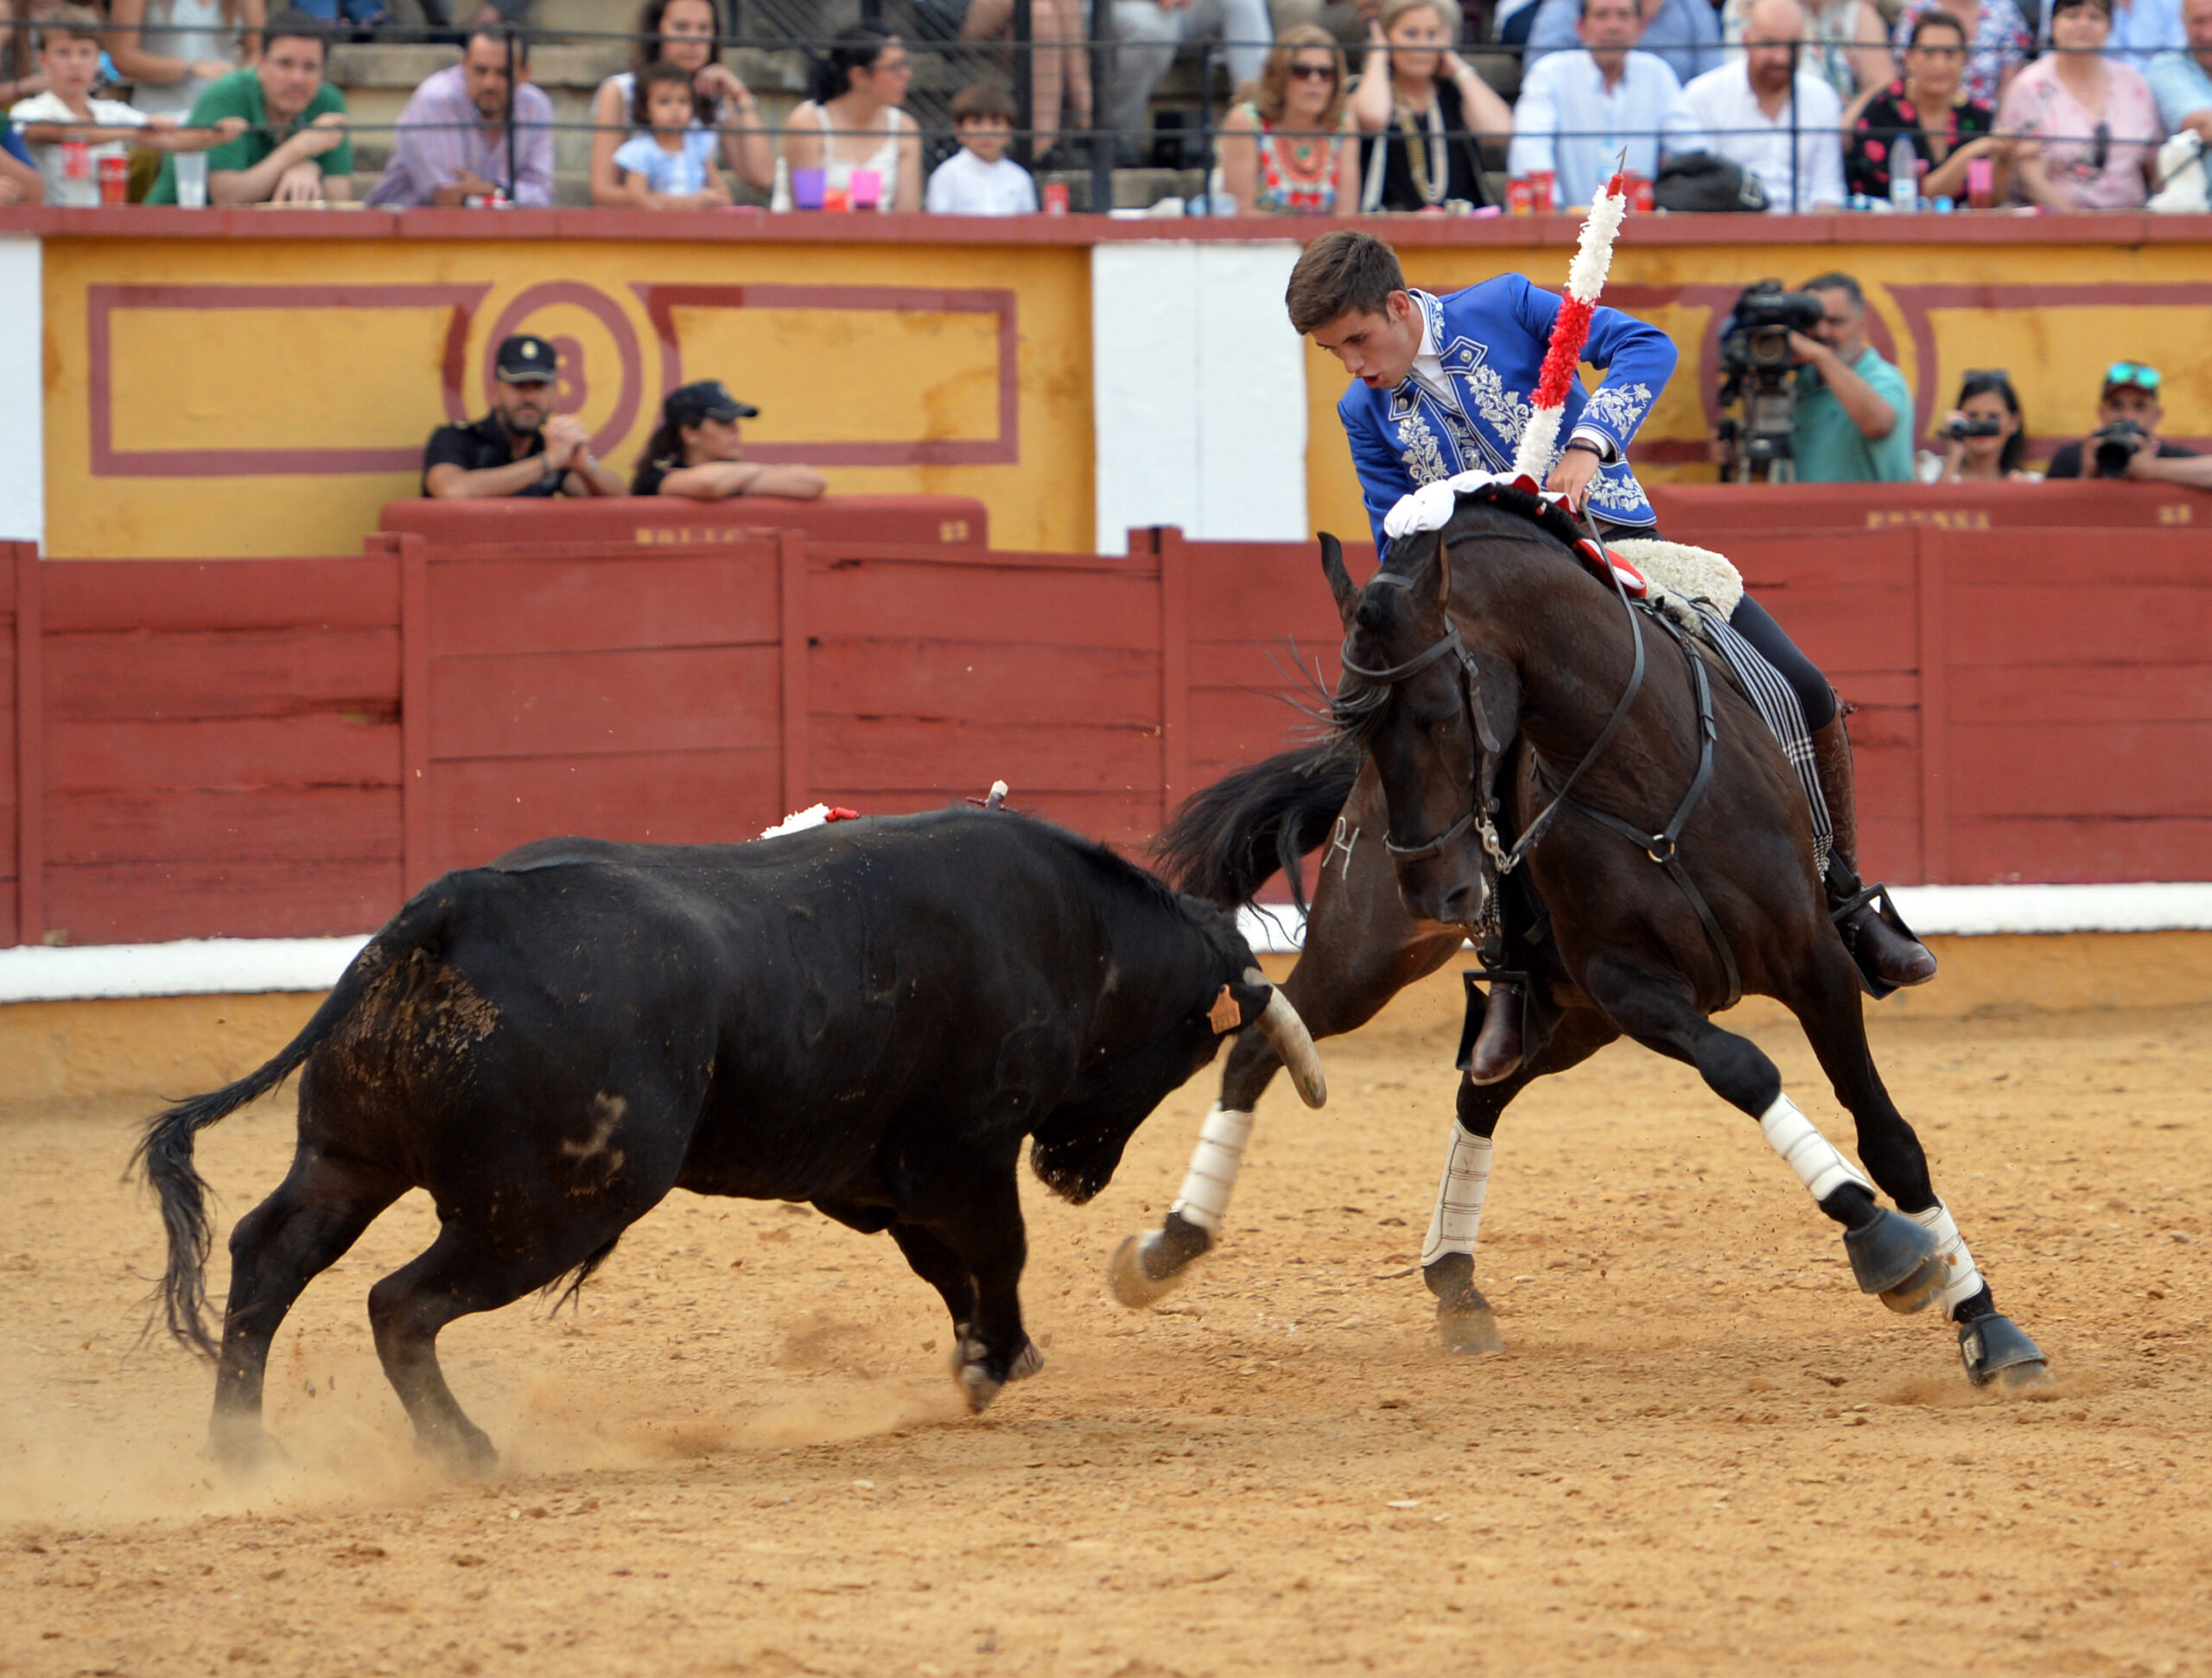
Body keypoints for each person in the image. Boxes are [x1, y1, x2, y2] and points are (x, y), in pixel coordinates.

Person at [1284, 229, 1935, 1077]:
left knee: (1803, 690)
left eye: (1357, 342)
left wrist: (1588, 443)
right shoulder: (1362, 414)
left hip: (1617, 553)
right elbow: (1394, 535)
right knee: (1475, 768)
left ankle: (1845, 898)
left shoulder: (1507, 305)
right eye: (1333, 353)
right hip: (1497, 624)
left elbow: (1643, 346)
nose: (1352, 367)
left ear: (1399, 308)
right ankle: (1514, 977)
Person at [10, 4, 244, 203]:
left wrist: (214, 135)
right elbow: (64, 132)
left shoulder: (112, 112)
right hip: (50, 228)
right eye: (63, 53)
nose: (75, 63)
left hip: (105, 226)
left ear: (98, 60)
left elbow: (168, 138)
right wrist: (133, 130)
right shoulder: (29, 110)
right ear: (43, 60)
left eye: (84, 53)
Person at [1507, 0, 1706, 207]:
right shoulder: (1549, 74)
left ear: (1641, 28)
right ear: (1580, 28)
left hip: (1642, 229)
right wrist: (1556, 216)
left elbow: (1691, 152)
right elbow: (1529, 150)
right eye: (1601, 15)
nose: (1613, 26)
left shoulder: (1657, 74)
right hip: (1565, 227)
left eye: (1623, 15)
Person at [144, 9, 351, 204]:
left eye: (310, 67)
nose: (297, 78)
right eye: (284, 64)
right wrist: (299, 149)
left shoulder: (328, 100)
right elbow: (226, 197)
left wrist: (310, 168)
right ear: (261, 62)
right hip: (172, 232)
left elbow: (341, 198)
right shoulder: (228, 92)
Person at [588, 0, 772, 208]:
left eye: (703, 28)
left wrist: (741, 95)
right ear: (657, 30)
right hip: (638, 232)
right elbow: (603, 193)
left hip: (700, 232)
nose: (693, 39)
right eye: (681, 27)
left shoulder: (715, 96)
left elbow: (762, 177)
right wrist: (684, 203)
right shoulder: (621, 90)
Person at [1346, 0, 1511, 211]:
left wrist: (1456, 65)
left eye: (1432, 34)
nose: (1423, 44)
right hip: (1390, 233)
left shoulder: (1454, 91)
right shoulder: (1366, 89)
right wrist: (1378, 56)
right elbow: (1372, 117)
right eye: (1411, 34)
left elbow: (1499, 131)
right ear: (1387, 38)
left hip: (1462, 231)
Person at [362, 25, 552, 207]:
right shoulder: (436, 99)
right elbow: (448, 197)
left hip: (497, 234)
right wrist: (506, 194)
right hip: (401, 233)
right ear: (464, 66)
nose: (489, 83)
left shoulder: (536, 106)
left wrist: (493, 189)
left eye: (502, 73)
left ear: (525, 73)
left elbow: (542, 196)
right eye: (480, 70)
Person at [1682, 0, 1847, 211]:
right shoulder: (1703, 96)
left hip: (1807, 236)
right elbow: (1701, 191)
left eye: (1791, 46)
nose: (1781, 57)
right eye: (1769, 44)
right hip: (1728, 236)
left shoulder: (1823, 98)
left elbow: (1827, 190)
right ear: (1745, 40)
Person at [2002, 0, 2164, 210]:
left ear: (2110, 27)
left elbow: (2157, 166)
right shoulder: (2029, 87)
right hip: (2055, 228)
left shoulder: (2133, 83)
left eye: (2095, 17)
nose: (2083, 24)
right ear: (2053, 25)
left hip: (2133, 226)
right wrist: (2087, 227)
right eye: (2072, 15)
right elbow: (2030, 182)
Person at [423, 335, 626, 499]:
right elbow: (450, 489)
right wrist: (546, 462)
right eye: (518, 385)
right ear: (494, 391)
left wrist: (586, 466)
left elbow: (620, 501)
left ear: (555, 393)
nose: (529, 397)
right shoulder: (456, 438)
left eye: (539, 386)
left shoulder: (549, 446)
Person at [1843, 11, 2011, 200]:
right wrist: (1969, 153)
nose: (1940, 64)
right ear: (1909, 59)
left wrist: (2004, 158)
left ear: (1965, 60)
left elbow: (1992, 203)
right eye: (1929, 53)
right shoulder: (1881, 113)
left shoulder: (1978, 116)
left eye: (1950, 54)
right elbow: (1910, 198)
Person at [1785, 273, 1911, 483]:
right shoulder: (1802, 382)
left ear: (1862, 326)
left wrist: (1821, 356)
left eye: (1835, 322)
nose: (1821, 331)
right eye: (1813, 321)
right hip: (1804, 514)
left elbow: (1878, 424)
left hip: (1865, 514)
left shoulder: (1882, 377)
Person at [782, 23, 922, 213]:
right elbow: (806, 211)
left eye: (905, 65)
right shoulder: (809, 122)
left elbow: (908, 216)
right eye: (895, 68)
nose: (907, 74)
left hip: (884, 240)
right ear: (859, 76)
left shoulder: (905, 128)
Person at [1217, 24, 1356, 213]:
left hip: (1328, 243)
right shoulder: (1245, 121)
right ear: (1280, 75)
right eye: (1301, 71)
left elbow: (1346, 216)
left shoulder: (1344, 125)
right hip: (1263, 243)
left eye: (1325, 73)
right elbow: (1240, 214)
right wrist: (1303, 238)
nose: (1315, 80)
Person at [1107, 0, 1274, 156]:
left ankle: (1261, 127)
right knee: (1150, 31)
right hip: (1121, 8)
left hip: (1184, 10)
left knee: (1244, 3)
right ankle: (1115, 142)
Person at [630, 380, 827, 502]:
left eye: (734, 421)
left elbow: (813, 482)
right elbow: (709, 484)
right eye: (723, 421)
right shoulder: (656, 477)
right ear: (690, 433)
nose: (736, 429)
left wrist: (737, 479)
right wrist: (758, 473)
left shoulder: (734, 475)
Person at [958, 0, 1091, 165]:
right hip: (953, 13)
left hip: (1016, 23)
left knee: (1042, 16)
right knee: (1041, 12)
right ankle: (1086, 111)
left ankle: (1043, 148)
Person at [2044, 360, 2212, 486]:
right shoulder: (2072, 457)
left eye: (2139, 406)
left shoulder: (2170, 456)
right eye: (2117, 406)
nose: (2128, 416)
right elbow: (2049, 518)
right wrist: (2087, 475)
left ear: (2157, 415)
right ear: (2101, 413)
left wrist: (2154, 469)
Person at [107, 0, 258, 122]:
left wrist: (237, 80)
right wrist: (190, 67)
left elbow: (259, 52)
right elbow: (122, 56)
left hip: (221, 118)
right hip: (158, 119)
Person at [607, 59, 730, 207]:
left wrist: (713, 200)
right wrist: (689, 203)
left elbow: (724, 196)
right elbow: (638, 198)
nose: (675, 109)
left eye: (683, 101)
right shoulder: (640, 151)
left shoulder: (698, 147)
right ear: (646, 110)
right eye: (664, 102)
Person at [1524, 0, 1726, 88]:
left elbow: (1713, 77)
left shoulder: (1692, 6)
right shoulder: (1569, 5)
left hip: (1672, 124)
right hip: (1587, 120)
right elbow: (1539, 70)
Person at [1721, 0, 1891, 100]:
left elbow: (1883, 83)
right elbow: (1743, 81)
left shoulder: (1854, 9)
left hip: (1843, 137)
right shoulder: (1751, 7)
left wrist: (1847, 121)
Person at [1888, 0, 2034, 110]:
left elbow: (2009, 88)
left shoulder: (2004, 12)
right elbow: (1902, 74)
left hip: (1987, 125)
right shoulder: (1916, 12)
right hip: (1923, 116)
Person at [925, 82, 1039, 215]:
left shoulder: (1020, 178)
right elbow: (937, 226)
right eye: (976, 123)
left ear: (1010, 132)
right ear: (959, 131)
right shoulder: (946, 176)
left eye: (996, 123)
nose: (986, 131)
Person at [1927, 368, 2033, 481]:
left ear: (2014, 422)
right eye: (1972, 416)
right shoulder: (1929, 471)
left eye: (1993, 417)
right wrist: (1953, 457)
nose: (1982, 424)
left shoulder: (2028, 482)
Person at [1273, 0, 1465, 54]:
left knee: (1445, 7)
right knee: (1294, 3)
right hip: (1331, 12)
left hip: (1391, 8)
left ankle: (1440, 94)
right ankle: (1292, 80)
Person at [2147, 0, 2212, 142]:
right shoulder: (2167, 67)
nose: (2209, 34)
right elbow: (2199, 127)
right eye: (2198, 21)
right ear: (2183, 24)